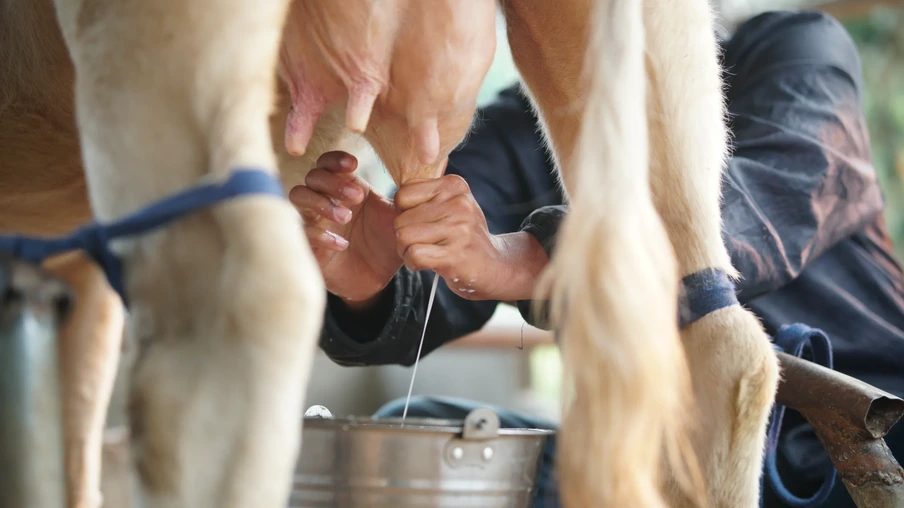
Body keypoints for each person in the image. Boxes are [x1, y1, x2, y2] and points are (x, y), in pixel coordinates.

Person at [291, 9, 904, 508]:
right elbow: (443, 270)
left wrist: (528, 259)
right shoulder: (524, 126)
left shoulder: (798, 49)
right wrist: (372, 274)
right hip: (649, 455)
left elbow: (776, 200)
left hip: (865, 442)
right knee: (423, 445)